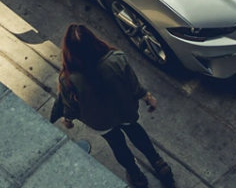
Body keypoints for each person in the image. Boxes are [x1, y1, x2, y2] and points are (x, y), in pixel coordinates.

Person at [52, 24, 175, 188]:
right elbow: (133, 85)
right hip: (125, 110)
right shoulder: (116, 59)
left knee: (117, 144)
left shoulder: (68, 80)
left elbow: (70, 106)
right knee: (136, 132)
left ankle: (135, 174)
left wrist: (68, 120)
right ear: (93, 41)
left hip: (100, 121)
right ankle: (159, 164)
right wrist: (147, 97)